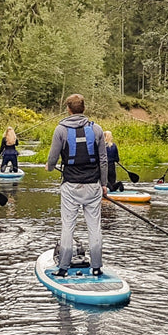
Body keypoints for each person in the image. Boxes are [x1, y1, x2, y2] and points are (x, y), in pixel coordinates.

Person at [46, 93, 108, 277]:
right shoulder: (97, 129)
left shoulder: (60, 130)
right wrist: (104, 184)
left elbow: (52, 159)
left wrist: (49, 167)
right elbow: (103, 160)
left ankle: (63, 268)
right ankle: (96, 267)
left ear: (68, 109)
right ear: (84, 109)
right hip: (93, 185)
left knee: (68, 226)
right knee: (94, 227)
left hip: (70, 186)